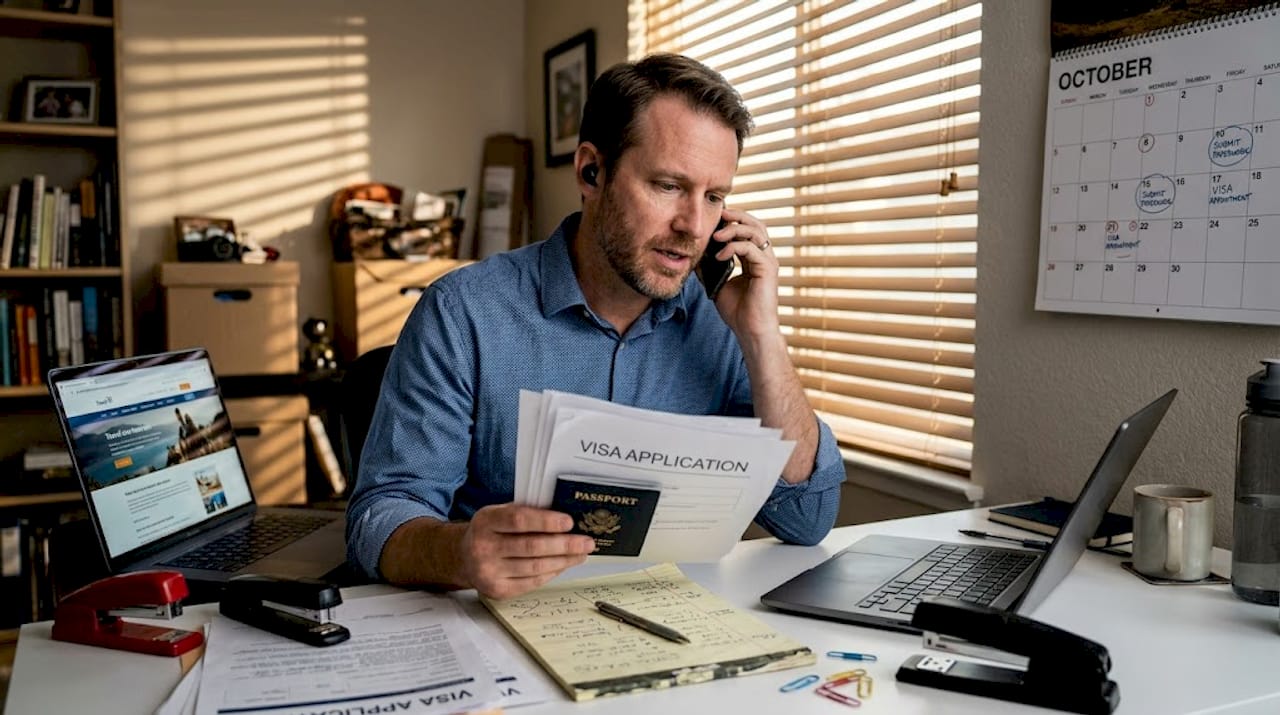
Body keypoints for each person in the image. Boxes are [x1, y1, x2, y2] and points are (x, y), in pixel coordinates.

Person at [346, 54, 845, 600]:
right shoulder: (463, 311)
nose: (694, 226)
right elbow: (379, 519)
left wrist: (762, 335)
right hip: (498, 619)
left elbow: (807, 520)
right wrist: (460, 553)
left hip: (675, 618)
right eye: (668, 186)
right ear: (591, 171)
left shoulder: (721, 318)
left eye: (714, 197)